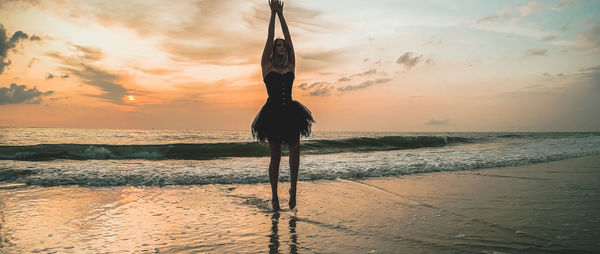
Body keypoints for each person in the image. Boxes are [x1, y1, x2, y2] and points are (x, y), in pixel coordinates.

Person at [251, 0, 314, 211]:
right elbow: (269, 38)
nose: (281, 46)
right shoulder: (266, 66)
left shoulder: (291, 65)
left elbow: (289, 39)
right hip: (272, 114)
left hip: (291, 113)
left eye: (282, 46)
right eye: (278, 45)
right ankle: (275, 196)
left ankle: (293, 190)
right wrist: (272, 13)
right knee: (275, 157)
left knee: (295, 150)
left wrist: (282, 15)